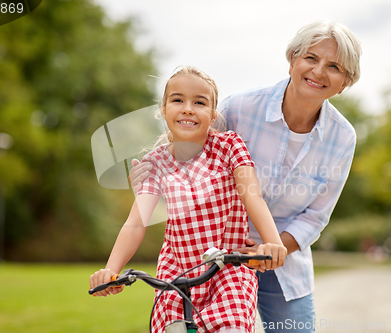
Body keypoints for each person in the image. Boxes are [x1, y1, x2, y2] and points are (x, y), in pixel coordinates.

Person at [130, 21, 362, 332]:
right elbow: (191, 161)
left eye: (334, 66)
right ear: (293, 59)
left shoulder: (343, 137)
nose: (319, 71)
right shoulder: (239, 108)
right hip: (217, 254)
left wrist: (272, 248)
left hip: (283, 260)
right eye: (311, 58)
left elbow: (316, 216)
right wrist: (151, 183)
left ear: (345, 82)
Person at [90, 66, 287, 333]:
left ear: (213, 115)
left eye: (199, 102)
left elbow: (253, 197)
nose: (187, 108)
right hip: (177, 270)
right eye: (178, 100)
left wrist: (273, 243)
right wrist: (111, 271)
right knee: (172, 327)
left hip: (229, 267)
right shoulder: (155, 163)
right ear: (163, 109)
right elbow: (136, 223)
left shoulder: (229, 147)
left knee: (233, 326)